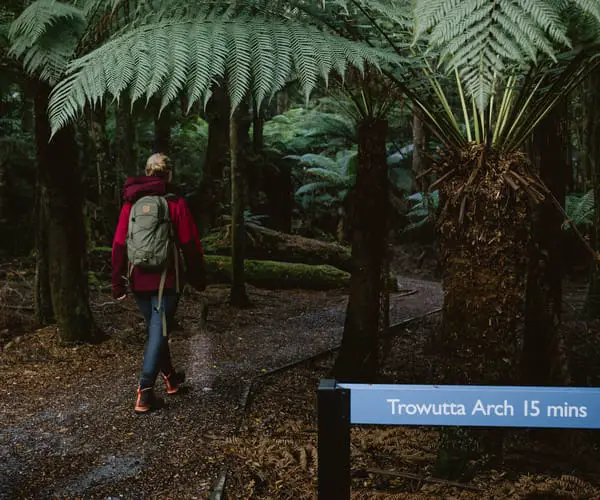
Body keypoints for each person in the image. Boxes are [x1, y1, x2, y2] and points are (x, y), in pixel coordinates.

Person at [111, 153, 206, 413]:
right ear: (169, 175)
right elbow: (190, 245)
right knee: (159, 329)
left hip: (138, 278)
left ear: (146, 172)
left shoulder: (131, 204)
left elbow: (119, 244)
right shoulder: (175, 204)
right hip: (168, 279)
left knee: (156, 327)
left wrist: (117, 281)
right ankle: (145, 392)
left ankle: (171, 379)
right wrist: (199, 277)